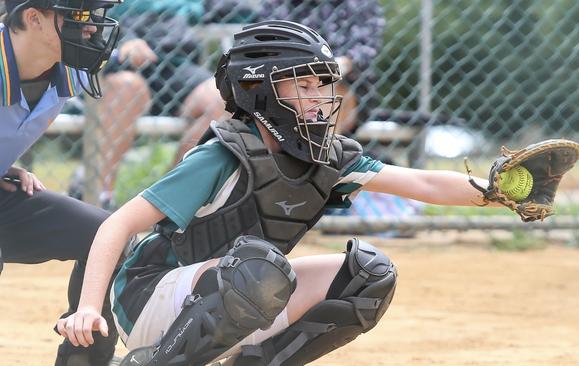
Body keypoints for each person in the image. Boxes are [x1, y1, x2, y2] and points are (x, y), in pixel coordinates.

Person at [56, 21, 499, 366]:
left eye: (323, 85)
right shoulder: (223, 155)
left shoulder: (327, 155)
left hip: (239, 289)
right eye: (303, 86)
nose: (320, 97)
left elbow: (421, 183)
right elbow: (119, 223)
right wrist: (89, 309)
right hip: (150, 299)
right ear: (259, 90)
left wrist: (497, 191)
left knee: (368, 275)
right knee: (259, 268)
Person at [0, 0, 126, 365]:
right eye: (77, 16)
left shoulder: (71, 70)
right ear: (33, 17)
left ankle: (81, 359)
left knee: (108, 235)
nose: (90, 27)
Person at [75, 0, 231, 208]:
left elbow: (230, 11)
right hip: (123, 60)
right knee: (127, 87)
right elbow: (87, 15)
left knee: (220, 98)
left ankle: (165, 199)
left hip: (176, 65)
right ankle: (100, 197)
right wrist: (124, 40)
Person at [257, 0, 385, 135]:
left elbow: (366, 49)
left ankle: (322, 145)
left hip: (345, 81)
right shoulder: (278, 3)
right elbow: (265, 43)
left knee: (326, 87)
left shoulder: (360, 3)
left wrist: (336, 66)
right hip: (286, 74)